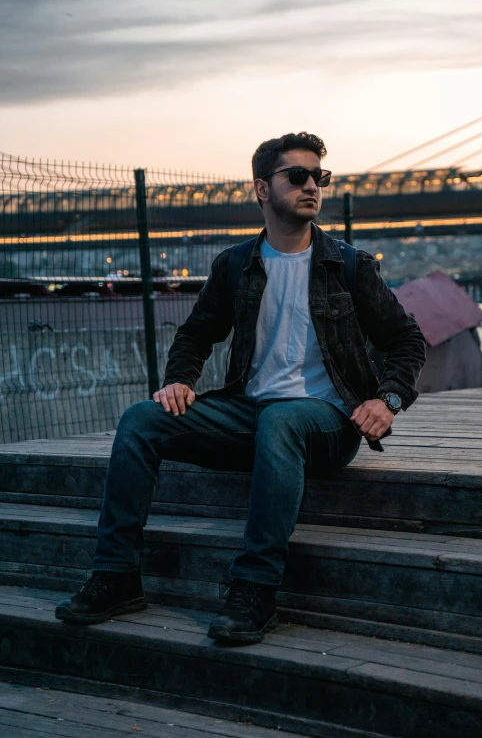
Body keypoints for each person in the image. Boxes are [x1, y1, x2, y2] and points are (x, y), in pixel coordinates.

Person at [55, 131, 426, 644]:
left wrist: (386, 401)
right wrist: (178, 381)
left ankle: (254, 587)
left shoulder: (349, 266)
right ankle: (116, 575)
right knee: (140, 419)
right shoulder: (235, 265)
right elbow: (195, 334)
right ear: (261, 189)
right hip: (249, 415)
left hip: (326, 422)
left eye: (320, 176)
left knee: (282, 419)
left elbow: (407, 340)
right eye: (297, 176)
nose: (311, 185)